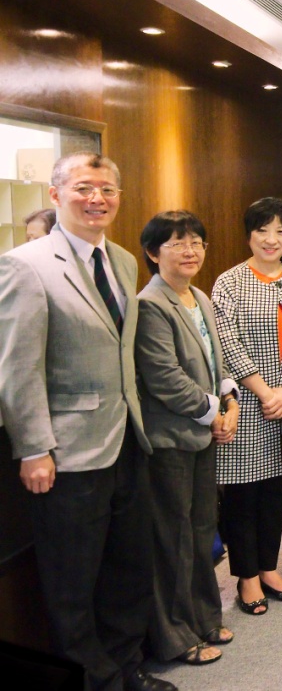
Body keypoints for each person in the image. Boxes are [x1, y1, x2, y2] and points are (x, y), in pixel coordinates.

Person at [0, 152, 172, 691]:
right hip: (67, 454)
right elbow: (17, 366)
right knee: (72, 582)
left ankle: (125, 669)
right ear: (55, 195)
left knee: (127, 570)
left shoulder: (121, 261)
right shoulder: (25, 264)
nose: (96, 198)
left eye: (107, 189)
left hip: (126, 441)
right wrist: (33, 448)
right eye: (83, 187)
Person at [135, 211, 237, 667]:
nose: (190, 250)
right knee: (171, 539)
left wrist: (229, 401)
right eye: (177, 243)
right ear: (154, 253)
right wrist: (215, 413)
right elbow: (165, 378)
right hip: (171, 438)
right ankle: (174, 636)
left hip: (202, 433)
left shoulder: (199, 296)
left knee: (200, 531)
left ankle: (203, 616)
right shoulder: (150, 304)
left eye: (197, 241)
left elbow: (217, 361)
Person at [212, 198, 282, 615]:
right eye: (263, 230)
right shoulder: (230, 282)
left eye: (281, 231)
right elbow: (227, 342)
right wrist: (264, 391)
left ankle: (269, 566)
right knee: (243, 495)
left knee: (277, 491)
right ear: (249, 235)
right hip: (249, 404)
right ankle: (247, 576)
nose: (272, 239)